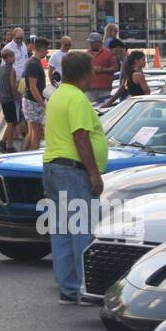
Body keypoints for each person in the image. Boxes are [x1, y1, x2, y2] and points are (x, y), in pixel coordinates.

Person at [43, 50, 108, 304]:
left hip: (52, 168)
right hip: (72, 171)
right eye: (92, 70)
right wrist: (94, 174)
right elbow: (80, 137)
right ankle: (86, 287)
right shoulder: (78, 99)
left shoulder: (58, 96)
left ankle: (68, 288)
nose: (94, 74)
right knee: (83, 230)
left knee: (61, 231)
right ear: (84, 73)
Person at [22, 37, 49, 150]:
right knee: (36, 133)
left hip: (31, 101)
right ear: (41, 50)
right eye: (46, 50)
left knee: (31, 133)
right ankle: (34, 158)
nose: (47, 52)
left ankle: (21, 155)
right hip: (33, 102)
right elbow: (33, 87)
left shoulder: (34, 62)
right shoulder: (34, 64)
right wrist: (43, 104)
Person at [0, 47, 19, 153]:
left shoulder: (2, 68)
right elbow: (13, 86)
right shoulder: (12, 70)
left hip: (3, 98)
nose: (14, 58)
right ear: (6, 58)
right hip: (9, 99)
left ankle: (3, 142)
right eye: (12, 56)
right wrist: (15, 97)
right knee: (11, 123)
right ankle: (9, 146)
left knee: (10, 121)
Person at [86, 32, 117, 104]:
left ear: (98, 42)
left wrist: (102, 69)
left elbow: (115, 67)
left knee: (104, 107)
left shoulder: (108, 53)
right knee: (90, 107)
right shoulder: (87, 53)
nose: (90, 44)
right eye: (90, 42)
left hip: (104, 88)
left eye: (92, 42)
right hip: (90, 88)